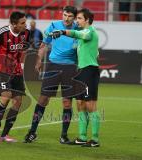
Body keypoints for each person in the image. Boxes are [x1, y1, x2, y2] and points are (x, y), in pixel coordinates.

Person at [24, 6, 80, 144]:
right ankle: (32, 132)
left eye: (70, 16)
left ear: (74, 17)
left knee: (67, 102)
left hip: (70, 68)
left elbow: (81, 48)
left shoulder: (78, 30)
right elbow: (44, 44)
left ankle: (64, 135)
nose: (66, 18)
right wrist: (38, 60)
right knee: (43, 99)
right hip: (53, 66)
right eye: (65, 15)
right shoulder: (54, 25)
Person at [50, 8, 100, 147]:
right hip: (81, 72)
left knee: (91, 105)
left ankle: (95, 140)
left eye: (79, 18)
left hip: (89, 71)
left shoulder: (90, 31)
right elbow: (94, 51)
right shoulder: (83, 36)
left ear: (87, 20)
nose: (76, 21)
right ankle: (82, 137)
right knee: (80, 105)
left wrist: (62, 32)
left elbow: (77, 33)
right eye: (76, 18)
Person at [0, 11, 30, 142]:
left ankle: (5, 134)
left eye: (25, 22)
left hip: (17, 71)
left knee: (18, 102)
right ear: (14, 24)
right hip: (3, 69)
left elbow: (24, 49)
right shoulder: (2, 33)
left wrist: (21, 64)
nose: (25, 25)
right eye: (22, 23)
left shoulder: (26, 33)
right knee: (6, 96)